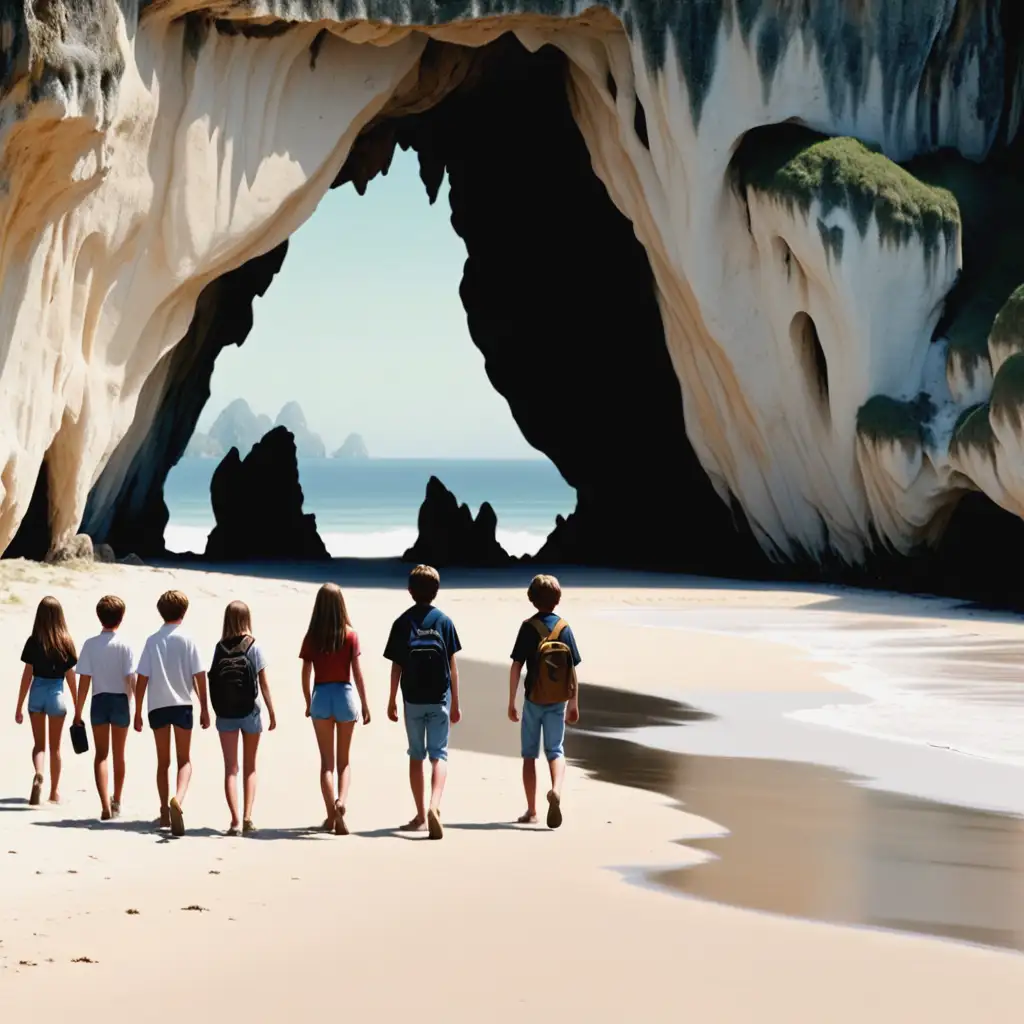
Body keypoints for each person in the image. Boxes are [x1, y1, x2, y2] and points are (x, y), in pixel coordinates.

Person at [385, 565, 462, 840]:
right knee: (439, 755)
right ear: (436, 591)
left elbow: (397, 666)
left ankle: (420, 815)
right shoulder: (445, 622)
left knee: (416, 755)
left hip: (413, 700)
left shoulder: (402, 622)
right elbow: (453, 667)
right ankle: (434, 806)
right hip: (440, 698)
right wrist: (456, 703)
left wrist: (392, 699)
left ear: (410, 591)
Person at [508, 574, 581, 829]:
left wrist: (511, 701)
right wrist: (574, 703)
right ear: (557, 599)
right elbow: (572, 669)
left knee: (529, 755)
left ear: (532, 599)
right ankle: (556, 789)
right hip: (558, 700)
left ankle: (531, 810)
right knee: (556, 750)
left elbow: (516, 665)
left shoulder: (528, 627)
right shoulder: (564, 628)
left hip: (533, 700)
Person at [133, 590, 209, 836]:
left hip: (157, 706)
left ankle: (164, 813)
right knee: (184, 760)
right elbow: (199, 676)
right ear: (184, 612)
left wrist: (137, 710)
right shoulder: (188, 640)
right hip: (183, 705)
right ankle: (178, 799)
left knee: (163, 762)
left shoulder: (152, 640)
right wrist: (205, 708)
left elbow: (142, 677)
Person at [300, 583, 370, 835]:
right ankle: (341, 801)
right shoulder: (350, 635)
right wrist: (365, 703)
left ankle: (331, 816)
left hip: (321, 696)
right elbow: (358, 674)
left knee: (326, 764)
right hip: (345, 695)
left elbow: (305, 672)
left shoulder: (312, 636)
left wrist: (308, 701)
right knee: (344, 763)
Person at [209, 600, 277, 836]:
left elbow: (214, 680)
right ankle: (248, 817)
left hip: (225, 714)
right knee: (250, 767)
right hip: (251, 712)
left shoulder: (219, 648)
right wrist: (272, 711)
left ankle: (235, 821)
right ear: (247, 619)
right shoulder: (253, 647)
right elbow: (264, 683)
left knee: (231, 769)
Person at [72, 596, 136, 820]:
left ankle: (104, 805)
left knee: (101, 755)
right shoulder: (125, 644)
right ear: (121, 617)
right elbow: (131, 677)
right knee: (119, 755)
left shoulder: (90, 644)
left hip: (98, 700)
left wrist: (78, 711)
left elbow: (84, 682)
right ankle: (116, 800)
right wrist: (137, 707)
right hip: (120, 701)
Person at [14, 596, 79, 805]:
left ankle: (39, 773)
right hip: (56, 696)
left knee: (39, 746)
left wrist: (18, 706)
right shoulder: (66, 642)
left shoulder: (33, 642)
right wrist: (78, 706)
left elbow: (27, 676)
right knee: (56, 749)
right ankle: (54, 792)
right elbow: (71, 677)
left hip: (37, 694)